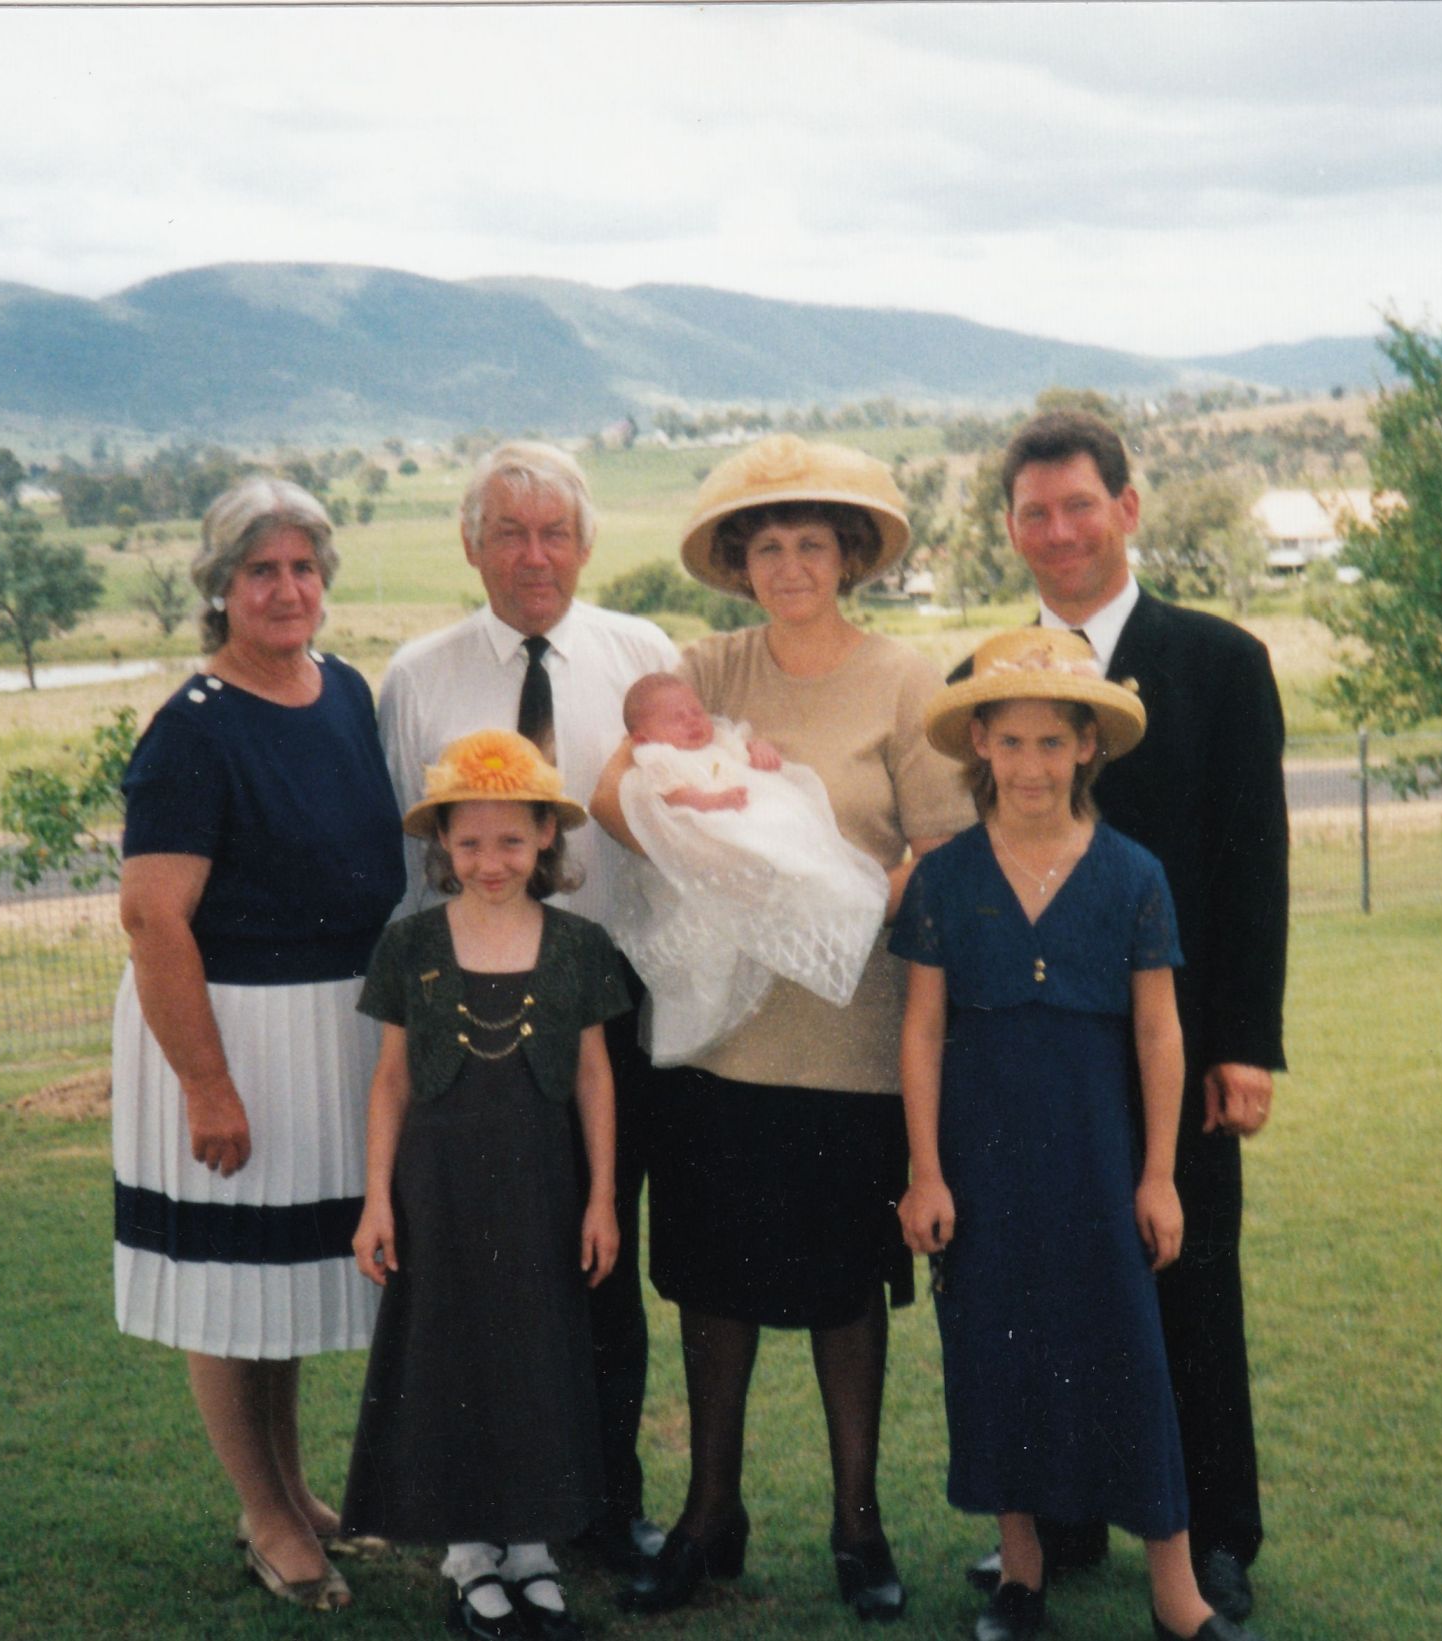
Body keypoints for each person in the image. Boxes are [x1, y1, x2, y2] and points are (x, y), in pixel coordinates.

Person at [590, 434, 974, 1621]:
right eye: (767, 547)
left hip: (850, 1041)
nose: (790, 565)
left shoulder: (904, 680)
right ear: (739, 565)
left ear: (848, 556)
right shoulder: (703, 669)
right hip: (715, 1048)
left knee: (843, 1291)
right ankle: (709, 1513)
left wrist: (836, 907)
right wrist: (715, 859)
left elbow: (942, 851)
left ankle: (858, 1525)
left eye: (812, 543)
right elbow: (612, 794)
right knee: (712, 1287)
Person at [958, 411, 1289, 1624]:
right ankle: (1059, 1522)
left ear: (1127, 509)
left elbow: (1253, 866)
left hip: (1173, 1048)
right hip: (1025, 1057)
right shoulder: (979, 683)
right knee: (1046, 1281)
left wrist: (1243, 1044)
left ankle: (1213, 1537)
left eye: (1078, 506)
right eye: (1033, 513)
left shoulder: (1217, 662)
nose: (1057, 532)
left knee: (1184, 1282)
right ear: (1009, 529)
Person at [895, 629, 1260, 1641]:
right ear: (979, 744)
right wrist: (926, 1171)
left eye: (1052, 742)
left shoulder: (1132, 875)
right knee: (997, 1350)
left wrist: (1159, 1175)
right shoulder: (945, 878)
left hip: (1098, 1157)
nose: (1031, 765)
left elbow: (1158, 1031)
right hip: (983, 1159)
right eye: (1010, 742)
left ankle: (1175, 1591)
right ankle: (1022, 1574)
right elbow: (921, 1029)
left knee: (1131, 1354)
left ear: (1088, 746)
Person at [378, 442, 679, 1573]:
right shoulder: (417, 676)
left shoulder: (641, 656)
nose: (534, 555)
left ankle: (601, 1506)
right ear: (472, 547)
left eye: (555, 532)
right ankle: (480, 1508)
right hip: (466, 1024)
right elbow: (407, 867)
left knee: (599, 1263)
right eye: (510, 532)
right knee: (473, 1270)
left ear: (586, 544)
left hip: (610, 1015)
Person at [111, 476, 406, 1612]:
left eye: (302, 568)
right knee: (232, 1282)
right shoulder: (192, 731)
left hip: (331, 1028)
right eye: (260, 571)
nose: (286, 590)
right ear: (219, 589)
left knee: (277, 1280)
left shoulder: (345, 691)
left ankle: (293, 1492)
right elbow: (153, 918)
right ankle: (266, 1514)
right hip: (230, 1032)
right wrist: (207, 1086)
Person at [341, 730, 629, 1641]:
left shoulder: (579, 945)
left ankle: (533, 1547)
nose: (490, 861)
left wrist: (602, 1197)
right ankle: (468, 1551)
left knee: (536, 1355)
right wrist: (377, 1198)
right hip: (438, 1191)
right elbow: (391, 1079)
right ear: (442, 844)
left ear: (546, 834)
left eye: (511, 839)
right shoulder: (411, 944)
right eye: (468, 842)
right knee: (450, 1353)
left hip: (543, 1189)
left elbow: (595, 1076)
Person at [605, 671, 891, 1065]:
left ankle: (829, 888)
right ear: (642, 738)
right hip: (706, 825)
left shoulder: (720, 742)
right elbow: (674, 796)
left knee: (794, 830)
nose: (692, 721)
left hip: (746, 812)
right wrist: (712, 802)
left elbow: (745, 749)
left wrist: (759, 751)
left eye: (696, 711)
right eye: (675, 718)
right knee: (720, 922)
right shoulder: (657, 758)